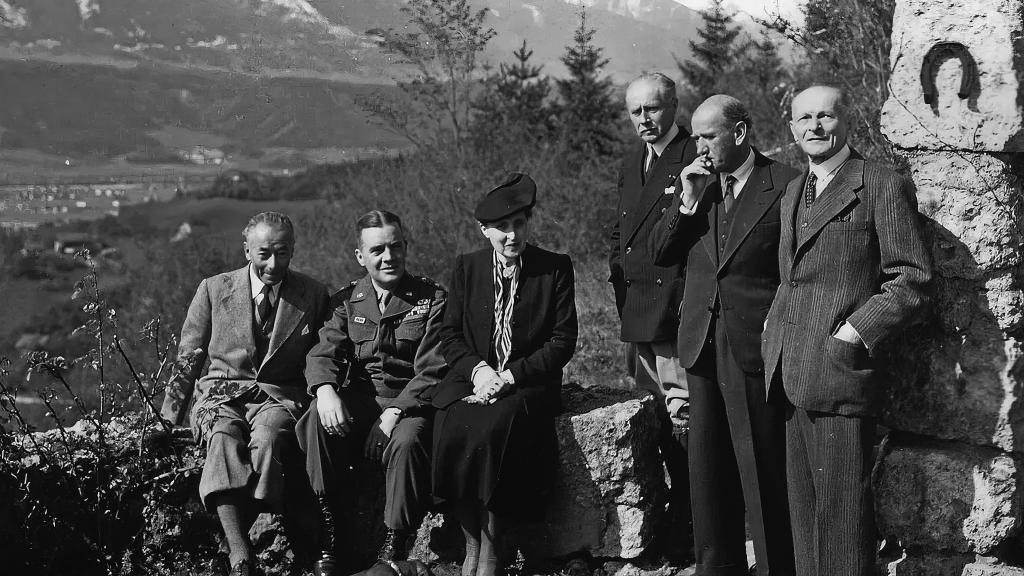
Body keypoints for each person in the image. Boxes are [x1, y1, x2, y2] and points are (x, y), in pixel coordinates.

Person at [761, 85, 931, 576]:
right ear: (792, 129)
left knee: (842, 523)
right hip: (790, 373)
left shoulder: (880, 183)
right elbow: (791, 279)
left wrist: (853, 333)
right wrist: (776, 333)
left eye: (826, 117)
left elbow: (912, 280)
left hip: (840, 376)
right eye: (804, 119)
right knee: (806, 521)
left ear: (846, 122)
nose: (814, 126)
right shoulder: (794, 190)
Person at [651, 95, 798, 576]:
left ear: (739, 133)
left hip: (755, 346)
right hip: (700, 344)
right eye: (695, 135)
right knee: (707, 472)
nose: (699, 145)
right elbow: (660, 253)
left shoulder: (787, 184)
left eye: (707, 135)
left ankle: (777, 568)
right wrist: (688, 200)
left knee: (761, 469)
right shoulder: (698, 186)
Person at [160, 211, 330, 576]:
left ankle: (235, 530)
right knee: (222, 440)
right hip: (221, 394)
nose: (273, 264)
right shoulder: (214, 289)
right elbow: (189, 356)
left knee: (269, 441)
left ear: (293, 250)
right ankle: (241, 556)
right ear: (247, 250)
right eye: (264, 253)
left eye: (282, 253)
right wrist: (168, 416)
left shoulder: (313, 294)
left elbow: (322, 355)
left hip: (278, 397)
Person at [432, 173, 578, 576]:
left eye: (519, 225)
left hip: (527, 384)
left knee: (495, 428)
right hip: (476, 378)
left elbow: (562, 341)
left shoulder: (554, 268)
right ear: (484, 230)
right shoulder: (468, 268)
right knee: (450, 419)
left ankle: (493, 548)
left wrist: (509, 377)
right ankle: (472, 541)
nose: (511, 236)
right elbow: (450, 334)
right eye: (501, 228)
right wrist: (479, 372)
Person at [297, 210, 447, 576]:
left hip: (410, 405)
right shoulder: (347, 300)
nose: (388, 257)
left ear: (406, 248)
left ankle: (394, 543)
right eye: (377, 250)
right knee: (317, 417)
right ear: (360, 256)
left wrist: (394, 412)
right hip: (362, 400)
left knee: (409, 442)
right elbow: (322, 351)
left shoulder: (432, 299)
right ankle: (329, 532)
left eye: (395, 247)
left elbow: (433, 369)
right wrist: (326, 390)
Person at [608, 73, 698, 552]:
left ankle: (693, 517)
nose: (644, 119)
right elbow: (620, 235)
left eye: (654, 108)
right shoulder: (630, 162)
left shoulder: (692, 156)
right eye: (635, 111)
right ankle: (675, 511)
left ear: (674, 107)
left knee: (685, 419)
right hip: (637, 313)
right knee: (656, 418)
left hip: (674, 314)